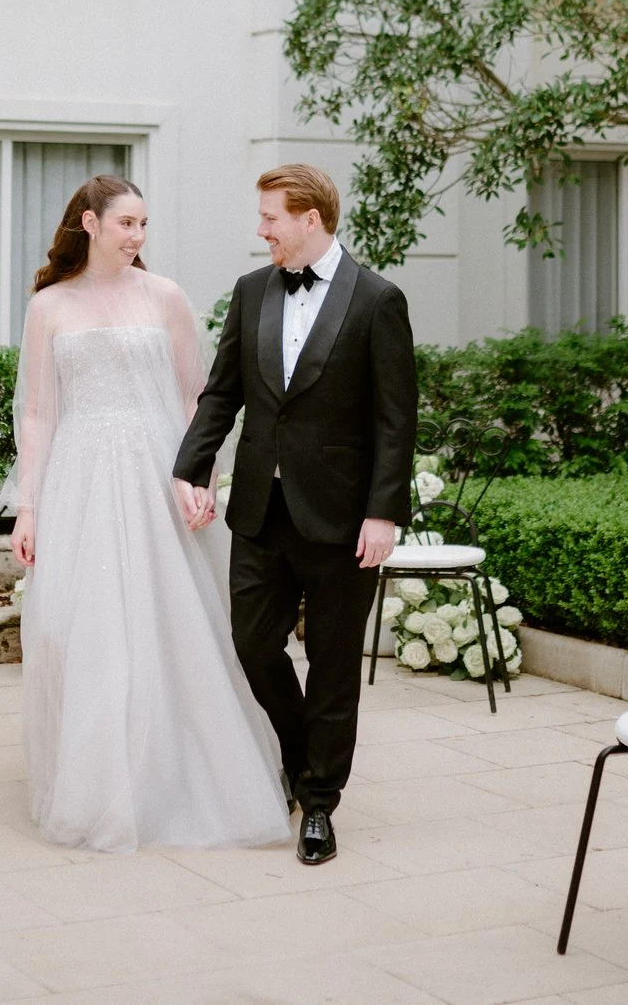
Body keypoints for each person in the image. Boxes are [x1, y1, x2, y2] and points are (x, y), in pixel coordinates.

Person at [10, 175, 288, 852]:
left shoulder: (165, 296)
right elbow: (39, 411)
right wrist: (29, 505)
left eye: (144, 224)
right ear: (90, 222)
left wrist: (199, 476)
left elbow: (198, 397)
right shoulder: (48, 306)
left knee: (178, 620)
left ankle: (185, 770)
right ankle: (102, 781)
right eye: (127, 223)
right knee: (83, 624)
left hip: (158, 472)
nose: (138, 236)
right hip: (80, 478)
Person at [173, 164, 417, 867]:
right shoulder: (252, 293)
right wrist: (190, 466)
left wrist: (383, 513)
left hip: (343, 519)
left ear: (310, 218)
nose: (261, 229)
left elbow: (395, 420)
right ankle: (299, 750)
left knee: (335, 666)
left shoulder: (378, 300)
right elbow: (221, 394)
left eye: (270, 217)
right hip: (261, 509)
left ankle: (317, 801)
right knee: (252, 645)